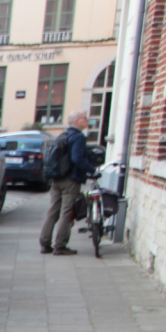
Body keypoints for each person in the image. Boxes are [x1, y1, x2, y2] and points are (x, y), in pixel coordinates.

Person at [40, 110, 97, 256]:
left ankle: (45, 243)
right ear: (77, 121)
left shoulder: (63, 135)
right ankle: (60, 245)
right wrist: (92, 170)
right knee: (67, 212)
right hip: (70, 179)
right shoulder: (78, 137)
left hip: (56, 178)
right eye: (85, 118)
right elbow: (77, 158)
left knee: (53, 210)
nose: (87, 120)